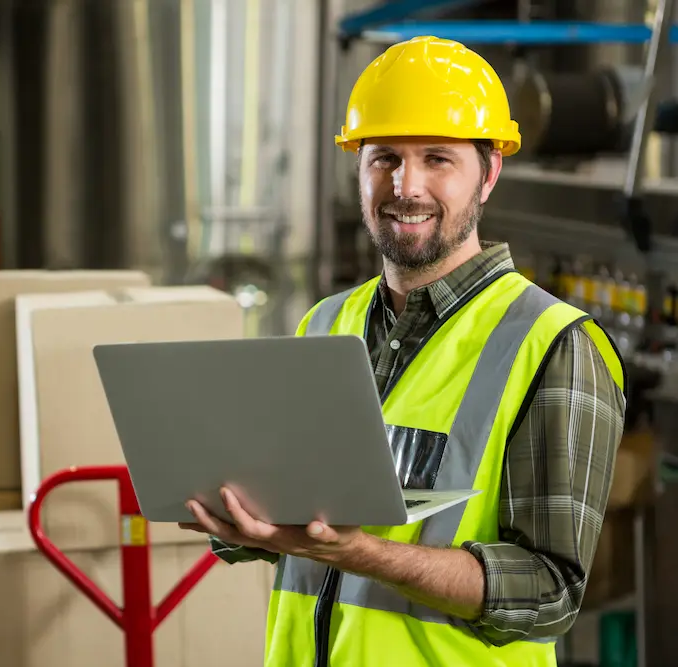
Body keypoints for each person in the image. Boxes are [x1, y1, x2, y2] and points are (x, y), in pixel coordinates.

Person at [178, 35, 627, 666]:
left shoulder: (553, 345)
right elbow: (301, 521)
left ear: (489, 172)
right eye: (384, 157)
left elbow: (549, 592)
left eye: (437, 159)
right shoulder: (327, 321)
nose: (405, 185)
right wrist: (239, 520)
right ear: (359, 169)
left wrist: (359, 553)